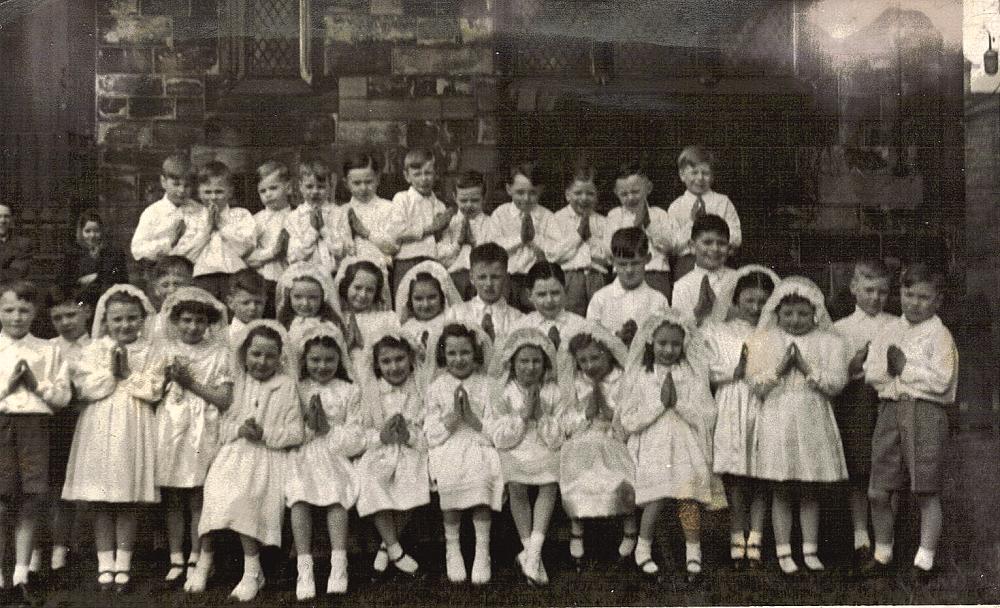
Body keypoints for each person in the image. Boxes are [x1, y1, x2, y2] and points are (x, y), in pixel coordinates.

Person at [62, 284, 168, 593]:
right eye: (117, 319)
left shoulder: (151, 351)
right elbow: (86, 388)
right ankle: (104, 562)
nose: (125, 325)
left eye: (132, 319)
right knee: (102, 498)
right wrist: (112, 373)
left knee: (127, 497)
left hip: (134, 423)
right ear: (105, 320)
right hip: (99, 424)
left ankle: (124, 562)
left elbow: (153, 389)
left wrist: (127, 375)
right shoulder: (93, 350)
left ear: (142, 319)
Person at [188, 321, 304, 601]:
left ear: (280, 358)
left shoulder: (286, 386)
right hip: (234, 452)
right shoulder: (239, 384)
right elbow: (223, 427)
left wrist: (265, 434)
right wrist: (240, 430)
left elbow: (295, 432)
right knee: (214, 488)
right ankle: (206, 558)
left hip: (268, 457)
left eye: (269, 356)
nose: (262, 362)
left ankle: (253, 569)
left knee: (243, 495)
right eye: (256, 354)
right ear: (244, 355)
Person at [745, 276, 849, 575]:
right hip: (778, 415)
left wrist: (806, 368)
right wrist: (780, 369)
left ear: (815, 314)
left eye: (803, 314)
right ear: (776, 313)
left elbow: (836, 383)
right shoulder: (766, 340)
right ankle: (783, 550)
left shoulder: (827, 342)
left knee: (809, 486)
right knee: (781, 486)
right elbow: (757, 384)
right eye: (788, 313)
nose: (795, 320)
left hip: (812, 414)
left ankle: (810, 548)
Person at [863, 263, 958, 582]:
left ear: (937, 301)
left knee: (924, 490)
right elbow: (874, 373)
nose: (914, 302)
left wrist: (905, 368)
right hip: (890, 409)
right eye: (908, 294)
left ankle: (924, 560)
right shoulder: (889, 330)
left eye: (923, 297)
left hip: (926, 413)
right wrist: (890, 373)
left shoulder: (939, 335)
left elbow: (942, 382)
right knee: (879, 490)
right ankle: (883, 553)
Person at [618, 309, 720, 583]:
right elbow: (628, 419)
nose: (669, 349)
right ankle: (643, 545)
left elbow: (707, 413)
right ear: (650, 341)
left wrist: (678, 404)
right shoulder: (641, 374)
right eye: (662, 343)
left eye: (675, 344)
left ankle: (693, 550)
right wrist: (659, 405)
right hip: (653, 442)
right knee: (657, 494)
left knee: (687, 494)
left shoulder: (690, 372)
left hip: (684, 442)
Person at [702, 265, 778, 569]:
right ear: (736, 300)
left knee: (761, 472)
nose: (756, 308)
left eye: (763, 301)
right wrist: (732, 371)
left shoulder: (776, 332)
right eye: (750, 301)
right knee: (736, 476)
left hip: (765, 402)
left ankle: (756, 536)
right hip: (733, 401)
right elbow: (707, 368)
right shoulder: (719, 331)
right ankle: (737, 533)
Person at [155, 287, 233, 586]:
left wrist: (191, 383)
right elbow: (155, 388)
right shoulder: (166, 350)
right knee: (174, 495)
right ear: (175, 321)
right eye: (186, 320)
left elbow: (224, 399)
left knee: (198, 495)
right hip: (172, 424)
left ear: (209, 323)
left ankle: (198, 555)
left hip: (203, 425)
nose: (192, 327)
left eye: (199, 321)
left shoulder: (219, 354)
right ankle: (176, 556)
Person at [0, 281, 71, 605]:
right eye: (9, 310)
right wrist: (7, 388)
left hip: (35, 427)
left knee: (30, 501)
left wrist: (36, 385)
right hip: (2, 425)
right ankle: (2, 576)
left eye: (24, 310)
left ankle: (21, 574)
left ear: (35, 313)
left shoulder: (49, 350)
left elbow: (62, 397)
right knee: (2, 503)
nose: (17, 317)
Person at [287, 325, 365, 599]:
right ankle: (304, 567)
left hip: (335, 453)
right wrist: (310, 427)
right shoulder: (297, 388)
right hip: (303, 453)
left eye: (329, 360)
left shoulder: (349, 390)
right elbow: (289, 427)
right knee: (298, 497)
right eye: (315, 360)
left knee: (335, 495)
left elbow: (357, 436)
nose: (322, 366)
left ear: (339, 360)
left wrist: (327, 430)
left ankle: (338, 565)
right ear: (304, 361)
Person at [422, 322, 502, 585]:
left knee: (480, 473)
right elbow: (431, 434)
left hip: (480, 443)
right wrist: (454, 417)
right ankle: (452, 548)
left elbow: (496, 430)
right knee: (450, 473)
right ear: (443, 355)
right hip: (448, 443)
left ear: (475, 353)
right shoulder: (436, 387)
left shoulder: (488, 385)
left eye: (465, 353)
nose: (459, 359)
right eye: (452, 353)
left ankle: (483, 551)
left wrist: (471, 417)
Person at [484, 327, 565, 585]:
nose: (530, 367)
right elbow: (499, 437)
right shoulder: (505, 392)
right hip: (514, 446)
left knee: (550, 482)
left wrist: (539, 414)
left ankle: (533, 552)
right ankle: (532, 554)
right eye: (523, 361)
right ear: (512, 363)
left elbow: (557, 437)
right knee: (516, 484)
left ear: (545, 363)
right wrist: (523, 415)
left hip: (544, 443)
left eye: (536, 361)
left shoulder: (552, 392)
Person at [831, 259, 896, 568]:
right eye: (869, 290)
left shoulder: (896, 324)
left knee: (886, 467)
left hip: (886, 401)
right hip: (856, 402)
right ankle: (860, 535)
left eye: (882, 292)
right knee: (859, 467)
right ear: (854, 288)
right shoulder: (841, 328)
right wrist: (854, 365)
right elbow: (835, 374)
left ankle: (889, 532)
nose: (875, 298)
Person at [557, 324, 637, 569]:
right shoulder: (576, 382)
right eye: (583, 360)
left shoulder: (621, 379)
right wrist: (586, 415)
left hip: (615, 433)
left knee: (617, 459)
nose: (589, 365)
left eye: (595, 357)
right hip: (585, 433)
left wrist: (606, 407)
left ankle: (630, 525)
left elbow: (630, 413)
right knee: (578, 452)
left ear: (609, 354)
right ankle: (577, 527)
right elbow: (566, 419)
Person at [354, 330, 430, 578]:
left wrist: (409, 436)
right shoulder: (372, 392)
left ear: (410, 358)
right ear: (376, 364)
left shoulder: (420, 388)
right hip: (380, 448)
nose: (394, 367)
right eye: (386, 361)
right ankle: (396, 549)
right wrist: (381, 436)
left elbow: (427, 424)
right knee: (370, 476)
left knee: (413, 476)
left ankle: (386, 547)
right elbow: (363, 429)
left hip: (411, 448)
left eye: (399, 359)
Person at [35, 288, 92, 583]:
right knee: (56, 485)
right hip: (57, 423)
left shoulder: (98, 346)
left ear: (88, 312)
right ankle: (56, 549)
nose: (65, 322)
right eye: (57, 317)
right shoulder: (47, 348)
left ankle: (88, 545)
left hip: (90, 420)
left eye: (71, 314)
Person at [545, 163, 610, 317]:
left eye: (590, 193)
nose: (584, 198)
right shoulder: (557, 219)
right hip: (570, 278)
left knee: (598, 320)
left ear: (597, 195)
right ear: (568, 194)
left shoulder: (603, 222)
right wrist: (578, 236)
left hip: (597, 277)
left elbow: (609, 256)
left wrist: (591, 240)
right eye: (578, 193)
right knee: (571, 320)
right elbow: (553, 255)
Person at [665, 146, 741, 279]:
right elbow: (673, 244)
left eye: (705, 173)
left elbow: (736, 237)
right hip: (688, 262)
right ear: (682, 175)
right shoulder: (676, 207)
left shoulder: (722, 202)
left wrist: (716, 238)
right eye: (694, 173)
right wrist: (692, 222)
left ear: (712, 176)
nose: (700, 178)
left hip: (719, 260)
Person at [587, 227, 670, 348]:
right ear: (613, 261)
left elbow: (664, 339)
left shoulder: (658, 300)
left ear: (647, 259)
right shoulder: (600, 299)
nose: (629, 270)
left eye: (635, 263)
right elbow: (591, 337)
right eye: (622, 264)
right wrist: (616, 337)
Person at [388, 147, 454, 293]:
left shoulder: (439, 205)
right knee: (404, 300)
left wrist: (440, 231)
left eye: (428, 173)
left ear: (435, 174)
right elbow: (397, 231)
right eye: (417, 174)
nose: (424, 179)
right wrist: (430, 229)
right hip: (407, 260)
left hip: (432, 261)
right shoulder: (402, 198)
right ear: (407, 176)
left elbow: (444, 240)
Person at [605, 162, 675, 300]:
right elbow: (608, 250)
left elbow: (670, 246)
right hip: (624, 275)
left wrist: (649, 225)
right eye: (624, 194)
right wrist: (634, 228)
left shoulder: (659, 214)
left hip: (656, 274)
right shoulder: (614, 216)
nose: (630, 197)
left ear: (648, 188)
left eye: (635, 191)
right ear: (616, 193)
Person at [491, 162, 553, 312]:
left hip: (535, 281)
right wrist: (521, 239)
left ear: (541, 191)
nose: (526, 198)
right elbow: (494, 248)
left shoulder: (547, 217)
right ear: (508, 189)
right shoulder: (500, 214)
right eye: (520, 192)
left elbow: (554, 250)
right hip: (508, 279)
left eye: (532, 193)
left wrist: (534, 242)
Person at [190, 161, 256, 300]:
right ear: (199, 193)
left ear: (230, 191)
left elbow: (246, 247)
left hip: (234, 277)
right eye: (207, 192)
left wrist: (221, 226)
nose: (213, 197)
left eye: (219, 191)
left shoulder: (241, 215)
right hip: (202, 278)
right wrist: (207, 230)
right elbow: (189, 254)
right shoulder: (193, 218)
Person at [130, 154, 209, 267]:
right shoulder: (152, 213)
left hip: (195, 271)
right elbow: (137, 250)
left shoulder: (201, 212)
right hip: (163, 272)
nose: (181, 190)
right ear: (163, 182)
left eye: (187, 185)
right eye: (176, 184)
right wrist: (170, 242)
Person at [332, 257, 399, 382]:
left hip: (376, 379)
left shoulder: (387, 318)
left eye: (370, 290)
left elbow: (394, 352)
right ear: (346, 286)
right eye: (357, 287)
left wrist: (365, 345)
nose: (363, 294)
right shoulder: (337, 318)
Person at [435, 170, 499, 300]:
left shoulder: (491, 223)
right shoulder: (450, 223)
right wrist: (458, 243)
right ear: (454, 197)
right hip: (453, 279)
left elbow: (494, 256)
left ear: (483, 197)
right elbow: (440, 257)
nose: (469, 205)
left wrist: (474, 244)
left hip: (483, 280)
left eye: (474, 200)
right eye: (463, 200)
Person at [445, 242, 523, 345]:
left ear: (506, 278)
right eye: (482, 277)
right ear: (472, 278)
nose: (489, 284)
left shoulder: (518, 318)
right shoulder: (456, 314)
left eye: (495, 277)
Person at [284, 158, 351, 275]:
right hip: (305, 275)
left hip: (334, 274)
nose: (315, 191)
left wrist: (324, 230)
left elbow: (344, 251)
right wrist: (313, 231)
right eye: (309, 186)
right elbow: (293, 257)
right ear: (300, 186)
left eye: (321, 187)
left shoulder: (339, 213)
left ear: (330, 186)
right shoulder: (293, 217)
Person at [671, 214, 736, 326]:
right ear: (692, 246)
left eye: (721, 243)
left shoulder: (737, 279)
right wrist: (697, 313)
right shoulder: (682, 286)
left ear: (729, 248)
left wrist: (724, 312)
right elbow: (677, 328)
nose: (715, 248)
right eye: (707, 242)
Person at [245, 160, 292, 311]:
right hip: (264, 281)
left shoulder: (297, 216)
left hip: (292, 279)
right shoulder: (256, 220)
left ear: (288, 188)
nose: (268, 194)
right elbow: (247, 256)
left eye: (273, 188)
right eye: (263, 191)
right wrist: (272, 253)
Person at [342, 152, 398, 270]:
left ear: (377, 179)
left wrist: (365, 232)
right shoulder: (342, 211)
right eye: (357, 183)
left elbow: (394, 246)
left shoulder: (389, 208)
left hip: (380, 269)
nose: (363, 188)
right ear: (346, 184)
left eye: (368, 182)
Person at [394, 259, 463, 354]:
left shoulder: (450, 321)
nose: (426, 305)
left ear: (442, 296)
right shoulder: (406, 329)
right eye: (418, 299)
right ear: (410, 300)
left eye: (432, 297)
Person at [513, 261, 588, 349]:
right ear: (529, 295)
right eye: (541, 294)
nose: (549, 300)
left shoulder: (581, 326)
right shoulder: (520, 328)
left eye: (555, 293)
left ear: (564, 290)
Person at [70, 209, 129, 308]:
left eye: (96, 231)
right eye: (87, 231)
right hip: (82, 304)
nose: (92, 235)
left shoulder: (114, 253)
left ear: (102, 231)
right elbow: (69, 282)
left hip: (108, 302)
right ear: (81, 232)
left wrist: (96, 277)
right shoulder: (75, 255)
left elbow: (119, 276)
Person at [276, 262, 343, 347]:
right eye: (298, 297)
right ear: (289, 297)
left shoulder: (329, 327)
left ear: (322, 298)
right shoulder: (285, 323)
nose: (305, 303)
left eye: (313, 297)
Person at [226, 268, 268, 345]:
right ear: (230, 302)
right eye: (245, 303)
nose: (253, 308)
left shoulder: (271, 336)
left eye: (258, 302)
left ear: (265, 300)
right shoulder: (224, 337)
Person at [0, 205, 33, 284]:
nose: (2, 220)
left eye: (6, 216)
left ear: (11, 219)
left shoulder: (23, 243)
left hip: (11, 289)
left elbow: (18, 272)